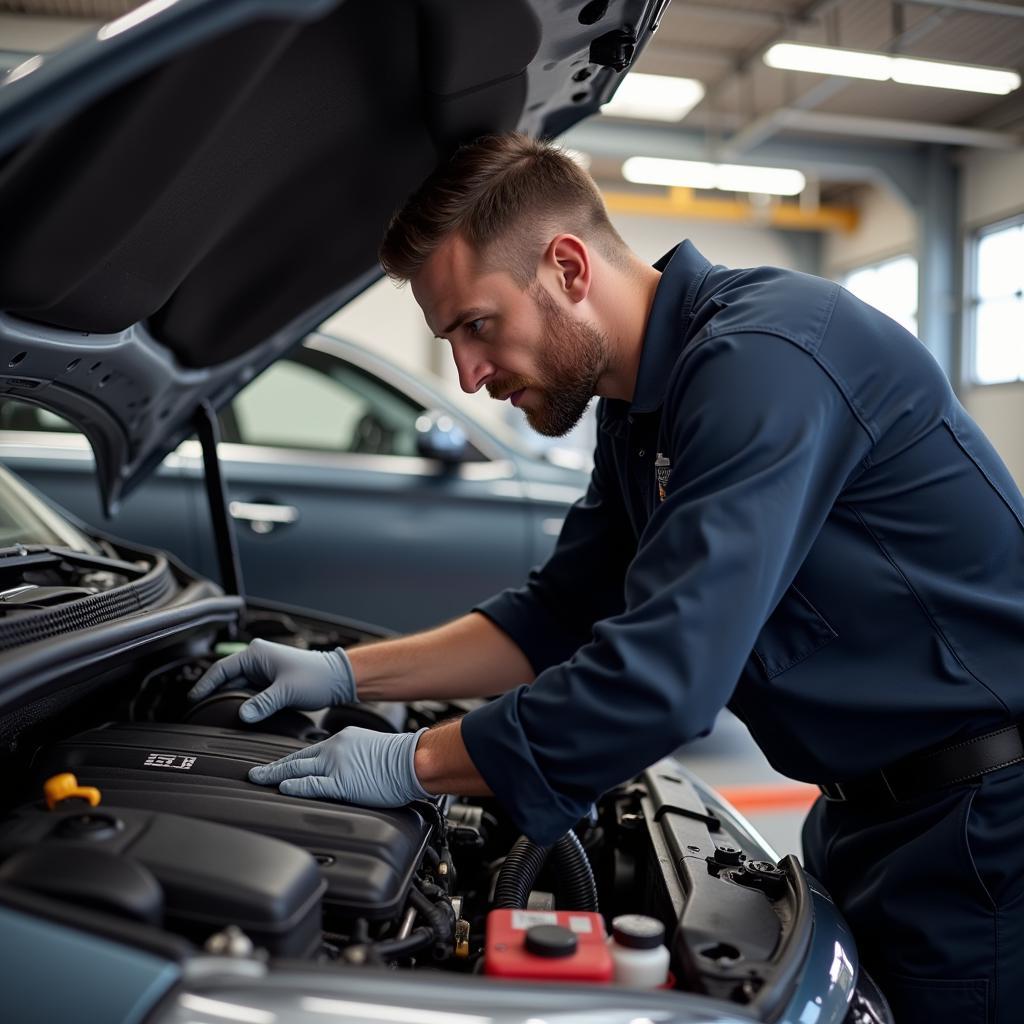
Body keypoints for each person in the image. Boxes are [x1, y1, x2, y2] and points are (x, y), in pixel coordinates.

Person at [189, 133, 1024, 1022]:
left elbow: (664, 680)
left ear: (568, 267)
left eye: (477, 326)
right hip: (870, 822)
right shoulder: (638, 412)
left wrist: (413, 761)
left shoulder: (765, 363)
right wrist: (349, 671)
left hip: (981, 835)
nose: (468, 376)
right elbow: (555, 614)